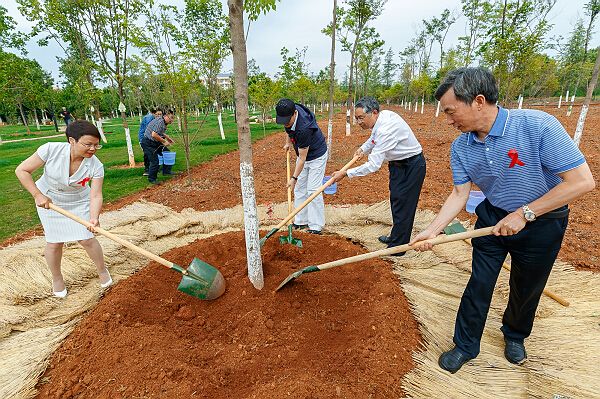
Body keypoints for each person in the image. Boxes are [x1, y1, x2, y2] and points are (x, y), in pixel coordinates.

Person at [410, 67, 595, 373]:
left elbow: (581, 181)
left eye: (451, 111)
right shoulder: (461, 146)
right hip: (493, 217)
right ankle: (465, 344)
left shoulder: (538, 126)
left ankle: (515, 335)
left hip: (543, 222)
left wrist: (525, 214)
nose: (448, 120)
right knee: (480, 282)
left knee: (527, 285)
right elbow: (459, 193)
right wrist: (431, 231)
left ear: (478, 101)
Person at [15, 120, 112, 297]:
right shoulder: (50, 149)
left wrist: (94, 217)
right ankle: (57, 278)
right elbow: (22, 170)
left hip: (78, 201)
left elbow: (96, 195)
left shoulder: (96, 166)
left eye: (96, 145)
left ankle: (102, 270)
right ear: (72, 141)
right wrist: (37, 195)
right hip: (48, 200)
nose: (92, 149)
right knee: (54, 243)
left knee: (87, 239)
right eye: (88, 144)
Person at [330, 97, 426, 255]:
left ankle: (398, 248)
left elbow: (373, 165)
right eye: (356, 118)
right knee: (396, 200)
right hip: (397, 165)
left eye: (361, 118)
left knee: (405, 205)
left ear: (374, 113)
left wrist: (346, 173)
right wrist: (363, 149)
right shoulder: (381, 119)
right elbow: (373, 139)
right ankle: (396, 236)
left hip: (412, 166)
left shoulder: (386, 129)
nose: (358, 122)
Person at [276, 98, 328, 234]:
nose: (285, 123)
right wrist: (288, 142)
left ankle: (316, 226)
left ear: (294, 114)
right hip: (303, 155)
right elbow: (289, 129)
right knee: (300, 189)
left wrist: (293, 178)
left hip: (316, 155)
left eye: (287, 120)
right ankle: (300, 221)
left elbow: (302, 158)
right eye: (283, 121)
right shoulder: (290, 111)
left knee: (313, 190)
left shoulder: (304, 128)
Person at [141, 109, 176, 184]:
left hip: (155, 142)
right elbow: (154, 135)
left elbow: (160, 132)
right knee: (155, 161)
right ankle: (152, 179)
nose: (172, 121)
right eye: (171, 118)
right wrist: (164, 141)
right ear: (166, 116)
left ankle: (166, 171)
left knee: (166, 152)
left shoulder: (162, 121)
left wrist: (168, 138)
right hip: (148, 143)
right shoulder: (160, 122)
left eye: (173, 118)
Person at [138, 108, 162, 176]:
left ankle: (154, 168)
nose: (159, 116)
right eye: (157, 114)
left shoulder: (153, 118)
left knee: (154, 152)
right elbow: (149, 130)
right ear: (154, 113)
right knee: (147, 153)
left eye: (160, 114)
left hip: (149, 138)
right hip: (144, 138)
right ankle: (147, 170)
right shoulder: (149, 118)